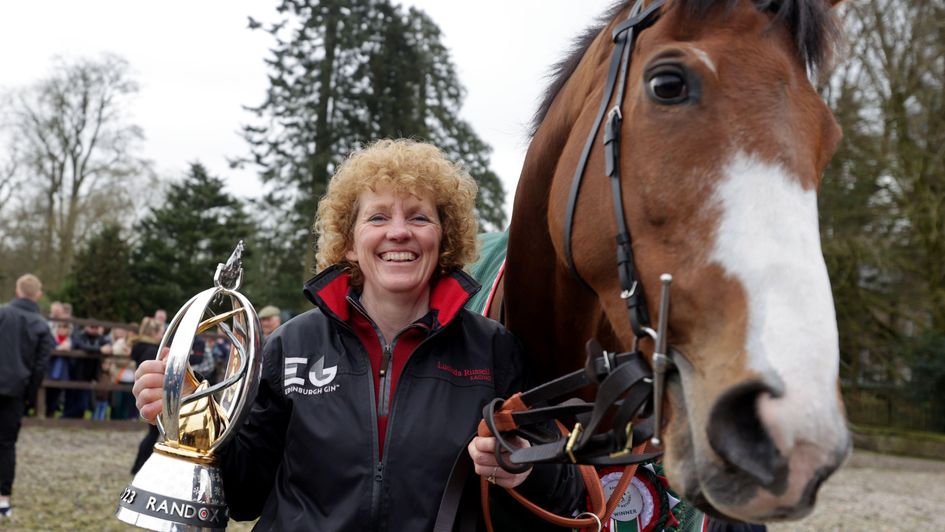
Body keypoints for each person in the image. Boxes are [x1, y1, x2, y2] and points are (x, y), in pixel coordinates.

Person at [134, 139, 583, 530]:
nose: (399, 231)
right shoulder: (291, 345)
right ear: (349, 242)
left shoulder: (495, 351)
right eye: (378, 217)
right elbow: (245, 495)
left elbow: (567, 496)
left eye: (420, 218)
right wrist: (188, 420)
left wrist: (522, 466)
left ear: (444, 239)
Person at [0, 274, 54, 517]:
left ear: (17, 290)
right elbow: (40, 367)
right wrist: (29, 397)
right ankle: (3, 499)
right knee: (7, 444)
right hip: (16, 392)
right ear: (38, 296)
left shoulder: (2, 313)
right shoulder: (42, 326)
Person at [129, 318, 163, 474]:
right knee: (153, 434)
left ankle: (139, 466)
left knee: (152, 433)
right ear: (154, 332)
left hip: (147, 392)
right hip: (152, 393)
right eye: (161, 332)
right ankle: (140, 467)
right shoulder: (150, 350)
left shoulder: (141, 348)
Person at [64, 324, 111, 418]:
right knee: (71, 401)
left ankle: (73, 420)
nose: (94, 330)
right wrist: (99, 350)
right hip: (76, 374)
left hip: (89, 376)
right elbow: (82, 346)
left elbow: (108, 347)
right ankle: (65, 419)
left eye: (96, 327)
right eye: (92, 327)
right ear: (86, 327)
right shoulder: (79, 335)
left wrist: (101, 349)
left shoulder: (100, 338)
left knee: (83, 404)